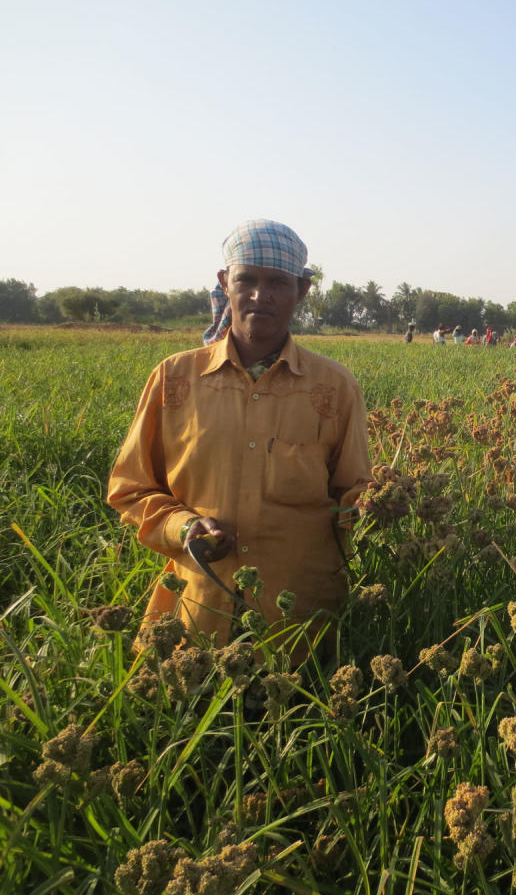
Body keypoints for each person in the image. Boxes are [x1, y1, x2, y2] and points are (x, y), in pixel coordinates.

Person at [107, 219, 372, 659]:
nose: (259, 295)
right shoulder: (175, 379)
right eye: (247, 279)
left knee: (296, 703)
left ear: (302, 290)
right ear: (224, 282)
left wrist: (378, 506)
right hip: (197, 612)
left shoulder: (334, 387)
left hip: (300, 622)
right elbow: (130, 488)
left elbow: (353, 490)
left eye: (277, 283)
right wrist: (183, 526)